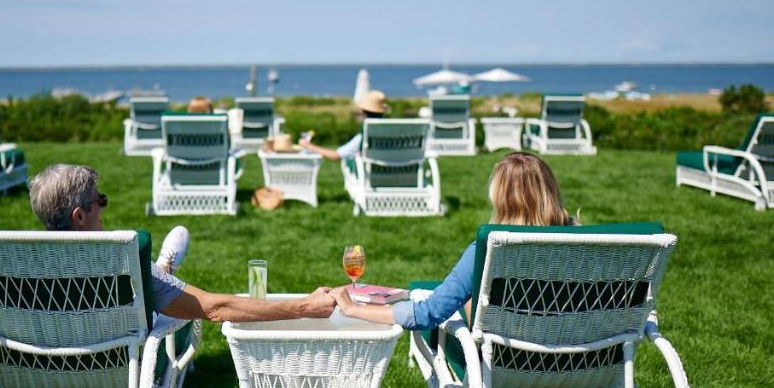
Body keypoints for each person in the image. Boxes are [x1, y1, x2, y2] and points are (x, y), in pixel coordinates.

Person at [29, 164, 335, 323]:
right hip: (117, 373)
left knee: (156, 285)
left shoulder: (17, 264)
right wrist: (304, 306)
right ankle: (164, 272)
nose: (105, 207)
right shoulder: (121, 259)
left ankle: (164, 271)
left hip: (43, 376)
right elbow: (214, 308)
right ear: (80, 216)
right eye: (101, 200)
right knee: (169, 303)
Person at [331, 152, 574, 329]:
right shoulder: (589, 243)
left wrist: (354, 309)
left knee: (466, 298)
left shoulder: (489, 249)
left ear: (501, 199)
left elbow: (427, 314)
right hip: (582, 360)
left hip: (508, 361)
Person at [298, 90, 389, 162]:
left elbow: (335, 156)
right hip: (397, 178)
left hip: (368, 179)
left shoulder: (364, 137)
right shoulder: (393, 134)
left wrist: (309, 146)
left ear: (362, 112)